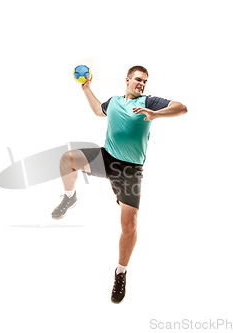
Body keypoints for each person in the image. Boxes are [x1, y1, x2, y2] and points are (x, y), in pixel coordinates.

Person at [51, 65, 188, 303]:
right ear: (127, 80)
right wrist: (86, 88)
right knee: (67, 159)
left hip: (130, 171)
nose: (141, 84)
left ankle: (121, 272)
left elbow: (182, 108)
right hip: (107, 159)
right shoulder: (114, 102)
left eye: (144, 81)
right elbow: (97, 110)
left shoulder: (150, 102)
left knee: (130, 226)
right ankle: (70, 197)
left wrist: (156, 114)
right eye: (138, 80)